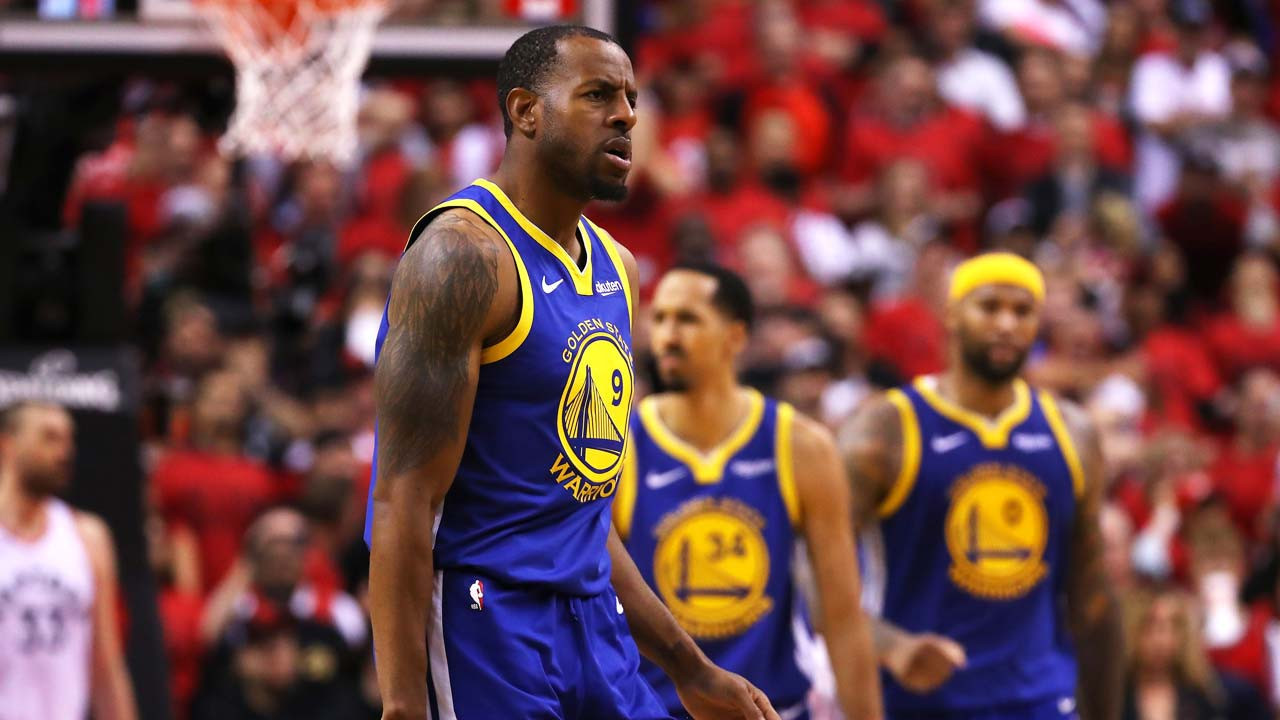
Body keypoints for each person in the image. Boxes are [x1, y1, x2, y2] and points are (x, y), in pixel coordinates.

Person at [364, 25, 778, 720]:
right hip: (484, 621)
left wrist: (690, 666)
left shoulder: (619, 267)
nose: (626, 116)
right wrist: (404, 705)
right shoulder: (461, 257)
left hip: (593, 621)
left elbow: (583, 517)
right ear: (526, 111)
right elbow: (403, 501)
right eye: (598, 96)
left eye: (631, 99)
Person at [840, 253, 1123, 719]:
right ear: (951, 314)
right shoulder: (886, 429)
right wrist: (890, 645)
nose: (1007, 324)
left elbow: (1092, 597)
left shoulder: (1073, 433)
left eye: (1022, 311)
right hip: (920, 703)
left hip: (1041, 701)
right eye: (990, 307)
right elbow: (814, 573)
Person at [614, 264, 882, 720]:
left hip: (774, 710)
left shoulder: (801, 446)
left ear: (735, 337)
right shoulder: (620, 445)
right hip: (659, 709)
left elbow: (842, 620)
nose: (667, 336)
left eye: (687, 319)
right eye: (659, 319)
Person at [0, 401, 137, 720]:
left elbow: (106, 665)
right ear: (7, 444)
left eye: (68, 440)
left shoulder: (87, 536)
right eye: (49, 437)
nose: (65, 452)